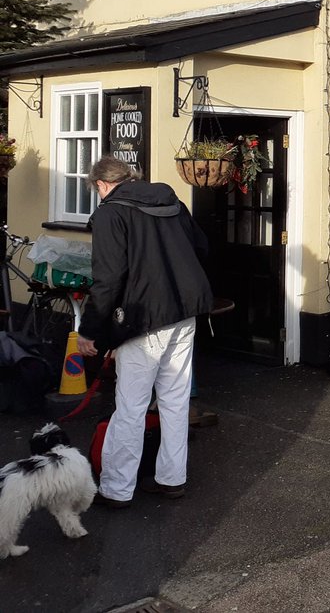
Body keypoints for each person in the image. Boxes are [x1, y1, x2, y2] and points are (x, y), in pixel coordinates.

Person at [77, 156, 212, 507]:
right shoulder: (169, 199)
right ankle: (172, 479)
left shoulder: (110, 212)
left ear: (101, 185)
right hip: (184, 310)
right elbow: (201, 248)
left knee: (131, 406)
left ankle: (117, 489)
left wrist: (89, 330)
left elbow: (107, 279)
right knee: (175, 400)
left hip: (143, 318)